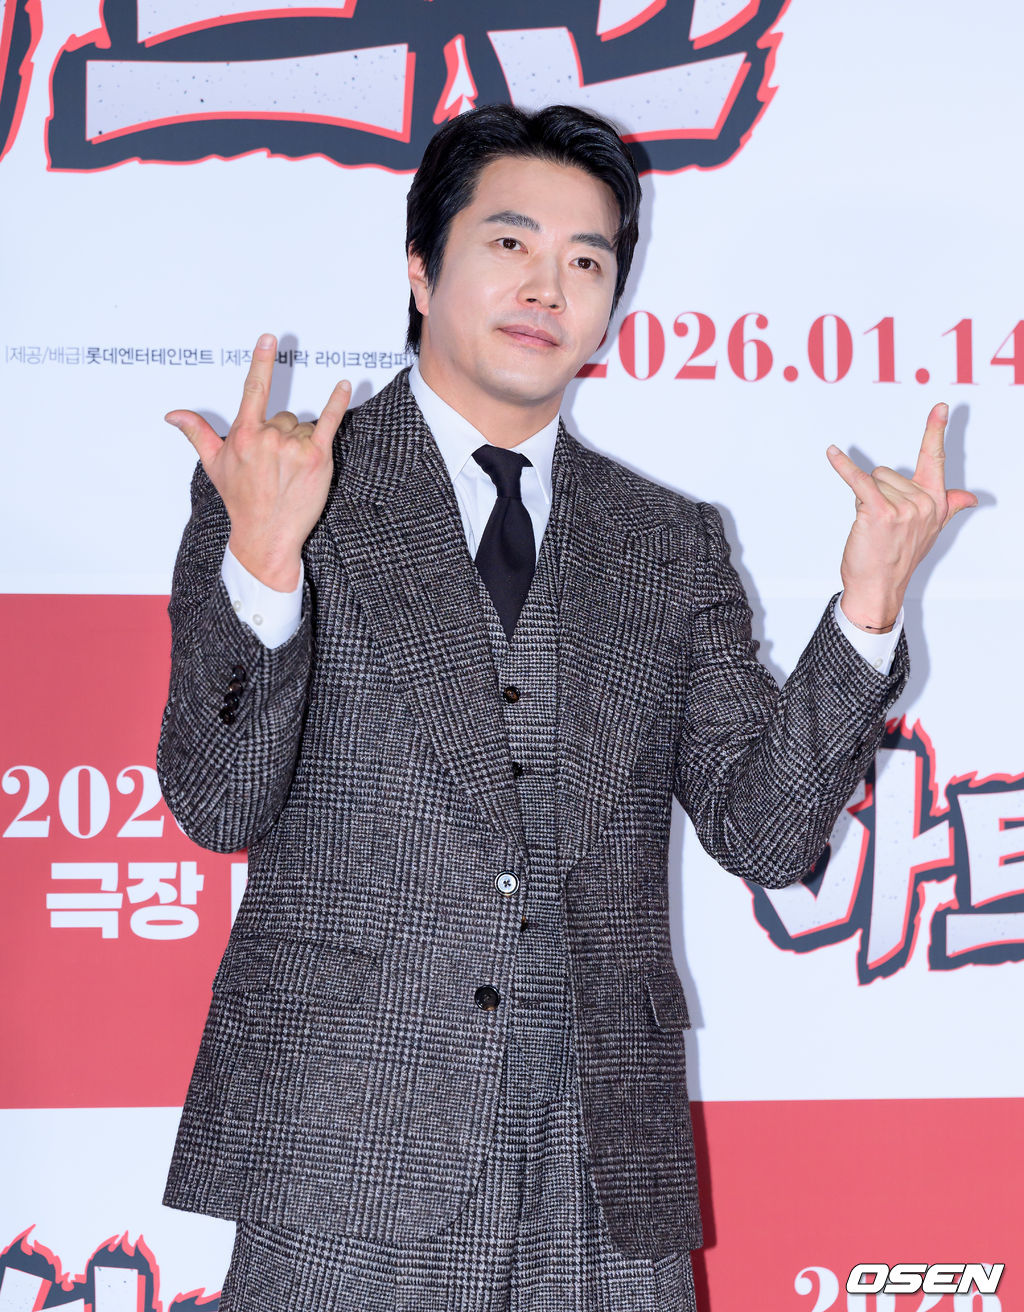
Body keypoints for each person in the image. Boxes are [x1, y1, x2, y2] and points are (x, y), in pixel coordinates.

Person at [156, 104, 975, 1311]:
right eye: (509, 244)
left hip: (600, 1153)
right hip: (349, 1138)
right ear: (421, 267)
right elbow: (217, 802)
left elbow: (765, 833)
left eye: (586, 262)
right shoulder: (284, 485)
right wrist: (266, 561)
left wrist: (865, 609)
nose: (547, 287)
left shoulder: (665, 539)